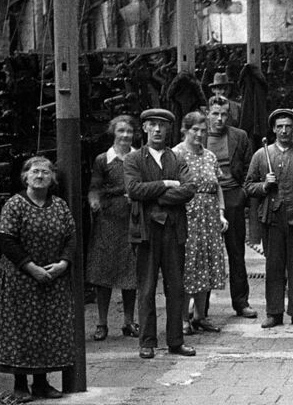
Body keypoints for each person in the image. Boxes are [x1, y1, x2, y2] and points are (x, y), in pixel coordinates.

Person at [0, 156, 76, 400]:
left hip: (52, 279)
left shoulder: (59, 205)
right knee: (20, 330)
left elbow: (71, 237)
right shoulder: (14, 204)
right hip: (21, 279)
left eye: (45, 173)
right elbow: (6, 240)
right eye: (35, 172)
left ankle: (42, 382)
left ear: (52, 179)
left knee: (47, 330)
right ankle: (20, 384)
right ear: (25, 176)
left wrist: (62, 264)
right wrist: (31, 268)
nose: (40, 176)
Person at [125, 108, 197, 359]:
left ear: (169, 130)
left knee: (175, 287)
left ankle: (176, 341)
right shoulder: (134, 159)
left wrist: (155, 196)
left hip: (174, 229)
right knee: (146, 287)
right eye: (152, 125)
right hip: (145, 231)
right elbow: (134, 189)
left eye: (162, 126)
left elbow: (189, 189)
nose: (157, 130)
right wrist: (166, 184)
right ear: (143, 128)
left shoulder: (176, 159)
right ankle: (147, 341)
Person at [245, 107, 293, 329]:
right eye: (280, 127)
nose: (284, 131)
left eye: (288, 126)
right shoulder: (261, 155)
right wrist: (264, 185)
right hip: (272, 220)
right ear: (273, 129)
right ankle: (274, 313)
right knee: (274, 268)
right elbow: (248, 187)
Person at [173, 111, 228, 333]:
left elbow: (218, 187)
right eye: (194, 129)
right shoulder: (176, 154)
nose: (199, 134)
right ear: (185, 130)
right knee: (189, 265)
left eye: (203, 130)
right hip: (187, 217)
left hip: (210, 217)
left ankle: (200, 315)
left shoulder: (210, 156)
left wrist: (221, 213)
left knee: (208, 263)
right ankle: (183, 318)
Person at [86, 115, 137, 341]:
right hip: (108, 220)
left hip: (132, 219)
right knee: (104, 272)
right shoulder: (102, 160)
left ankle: (128, 321)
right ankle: (102, 322)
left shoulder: (138, 157)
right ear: (113, 133)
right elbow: (94, 187)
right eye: (121, 131)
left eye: (129, 131)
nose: (125, 135)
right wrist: (94, 202)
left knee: (131, 272)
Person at [206, 98, 256, 318]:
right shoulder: (199, 136)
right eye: (215, 113)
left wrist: (242, 194)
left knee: (236, 252)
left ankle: (241, 302)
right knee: (205, 253)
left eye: (224, 114)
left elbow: (249, 168)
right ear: (207, 113)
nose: (220, 118)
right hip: (207, 199)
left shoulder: (239, 136)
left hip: (233, 195)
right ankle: (201, 307)